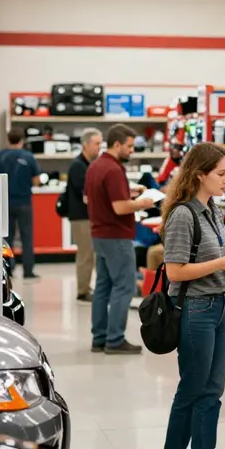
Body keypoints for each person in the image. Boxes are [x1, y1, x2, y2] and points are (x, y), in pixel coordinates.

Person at [159, 143, 225, 449]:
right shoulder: (183, 215)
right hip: (196, 309)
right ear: (200, 174)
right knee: (202, 389)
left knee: (202, 387)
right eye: (221, 173)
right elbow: (175, 272)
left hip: (218, 304)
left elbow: (211, 262)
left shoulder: (212, 209)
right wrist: (221, 263)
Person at [85, 124, 154, 355]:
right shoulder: (114, 170)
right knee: (124, 286)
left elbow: (92, 198)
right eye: (129, 146)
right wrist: (143, 203)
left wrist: (129, 193)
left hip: (100, 235)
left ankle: (99, 338)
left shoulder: (95, 166)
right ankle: (115, 339)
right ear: (117, 144)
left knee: (103, 287)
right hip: (116, 236)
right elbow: (120, 207)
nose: (132, 150)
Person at [0, 128, 42, 281]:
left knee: (7, 238)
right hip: (24, 202)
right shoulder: (29, 157)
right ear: (22, 140)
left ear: (8, 139)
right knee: (27, 237)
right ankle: (28, 271)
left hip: (5, 202)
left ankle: (8, 269)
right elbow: (36, 181)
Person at [66, 128, 103, 302]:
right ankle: (82, 290)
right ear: (85, 145)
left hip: (88, 216)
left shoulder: (88, 164)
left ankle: (86, 287)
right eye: (96, 144)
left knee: (89, 253)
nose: (99, 147)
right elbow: (86, 193)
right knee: (85, 254)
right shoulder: (78, 166)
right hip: (81, 216)